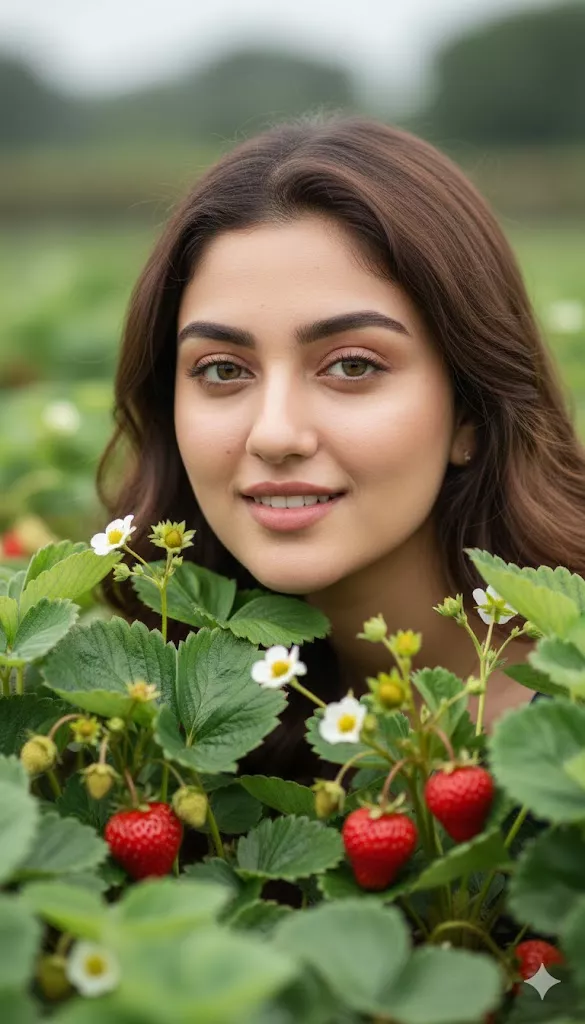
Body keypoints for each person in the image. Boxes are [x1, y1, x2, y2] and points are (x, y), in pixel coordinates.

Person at [97, 114, 585, 783]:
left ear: (470, 408)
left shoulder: (567, 726)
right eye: (221, 370)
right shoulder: (145, 739)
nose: (273, 434)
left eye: (351, 366)